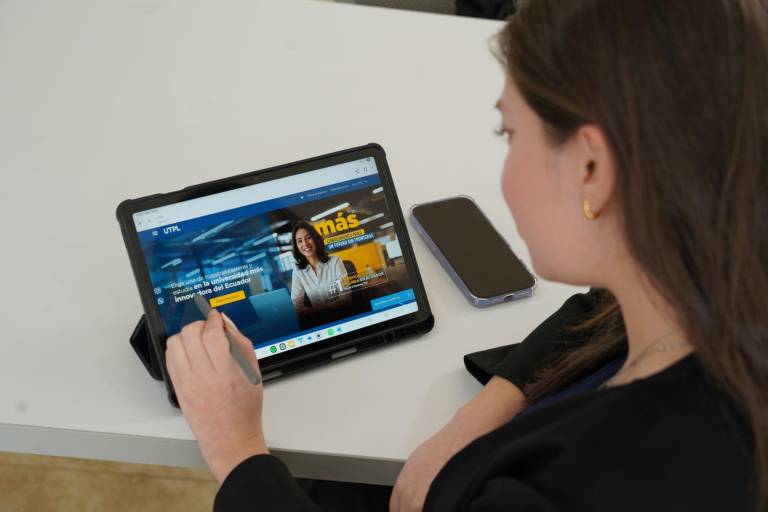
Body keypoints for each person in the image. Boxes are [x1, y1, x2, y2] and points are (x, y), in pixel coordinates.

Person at [164, 0, 767, 510]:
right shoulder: (715, 275)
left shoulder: (570, 487)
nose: (503, 172)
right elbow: (604, 311)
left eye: (510, 134)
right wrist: (486, 410)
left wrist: (237, 452)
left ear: (592, 168)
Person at [289, 220, 350, 316]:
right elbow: (296, 305)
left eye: (308, 237)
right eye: (299, 241)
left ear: (316, 239)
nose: (305, 244)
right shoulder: (298, 272)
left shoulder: (335, 262)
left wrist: (320, 309)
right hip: (319, 320)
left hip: (342, 316)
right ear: (296, 246)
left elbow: (346, 298)